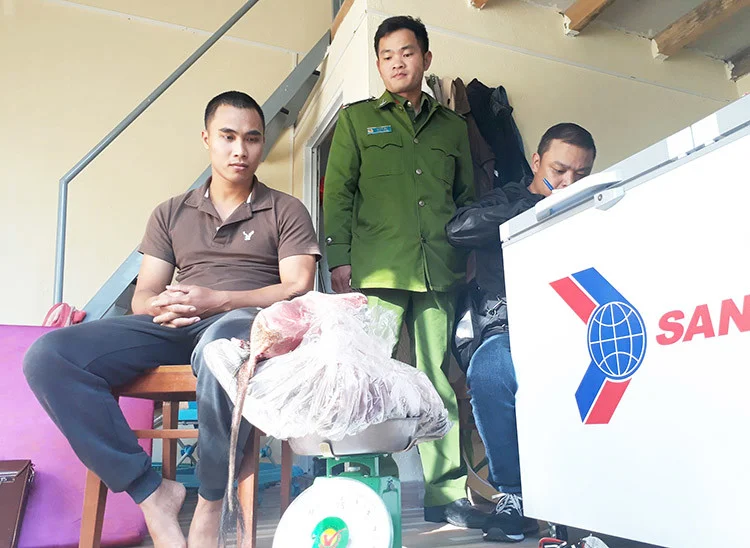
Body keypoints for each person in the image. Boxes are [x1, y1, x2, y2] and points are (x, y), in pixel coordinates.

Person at [23, 91, 321, 547]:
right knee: (49, 357)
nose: (240, 150)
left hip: (242, 319)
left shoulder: (286, 209)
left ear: (262, 144)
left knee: (221, 348)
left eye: (251, 138)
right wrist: (162, 306)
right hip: (178, 322)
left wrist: (219, 299)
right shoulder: (171, 212)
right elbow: (144, 294)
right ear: (206, 139)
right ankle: (151, 492)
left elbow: (297, 285)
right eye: (227, 136)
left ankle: (211, 501)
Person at [323, 15, 484, 528]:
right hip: (379, 270)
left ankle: (445, 493)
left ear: (425, 59)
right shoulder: (356, 121)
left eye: (407, 52)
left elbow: (465, 198)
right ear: (378, 64)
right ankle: (365, 483)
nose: (397, 62)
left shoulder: (452, 127)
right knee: (371, 378)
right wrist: (339, 257)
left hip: (439, 268)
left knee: (438, 379)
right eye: (387, 55)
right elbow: (338, 193)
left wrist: (467, 254)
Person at [446, 123, 597, 543]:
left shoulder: (591, 207)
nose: (568, 183)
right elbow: (459, 230)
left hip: (574, 326)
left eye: (581, 175)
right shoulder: (507, 200)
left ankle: (596, 491)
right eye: (559, 170)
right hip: (508, 326)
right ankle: (514, 494)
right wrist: (536, 207)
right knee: (490, 370)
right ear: (536, 162)